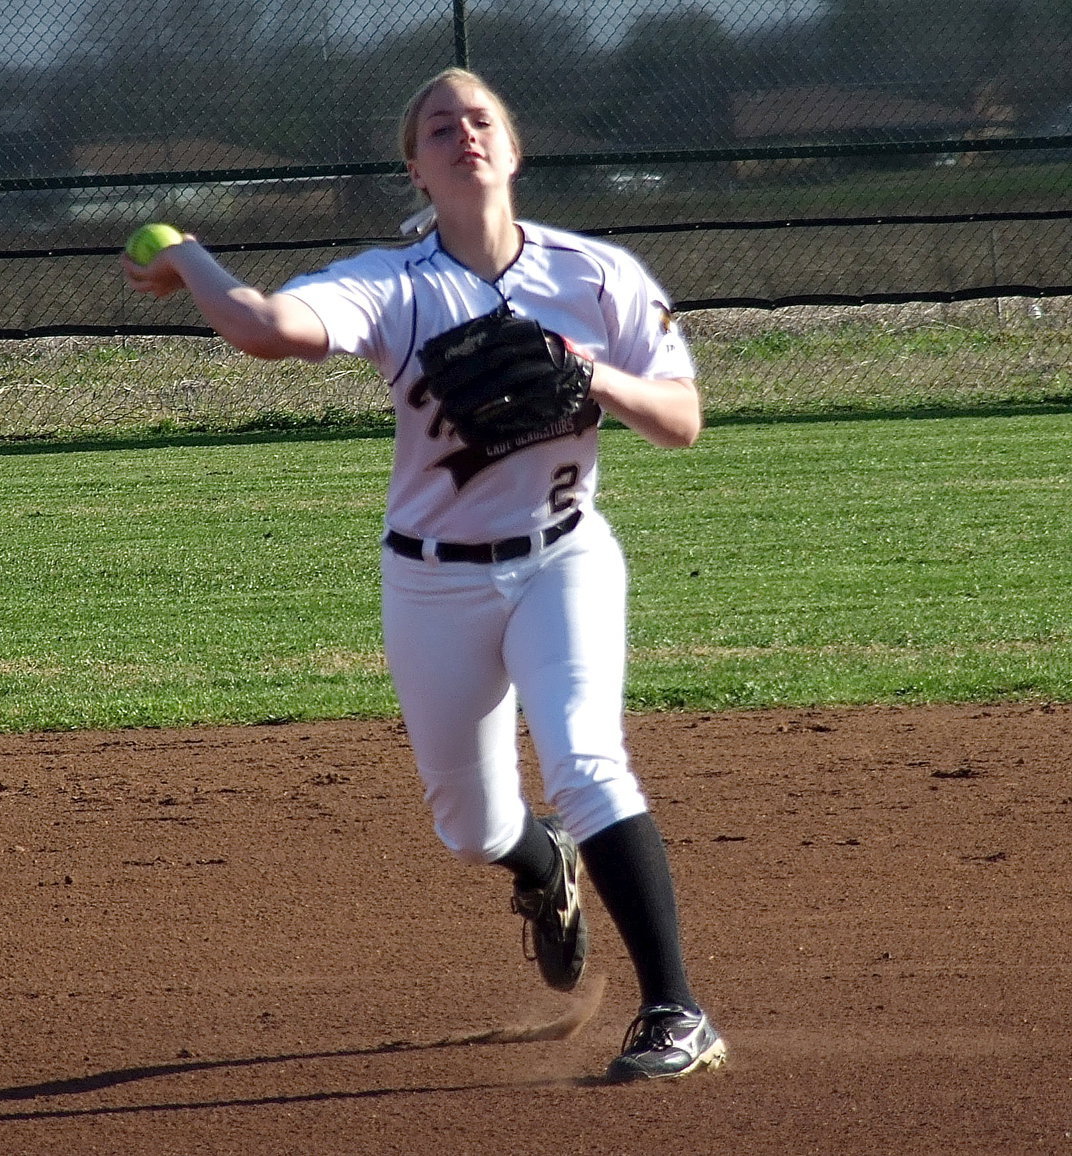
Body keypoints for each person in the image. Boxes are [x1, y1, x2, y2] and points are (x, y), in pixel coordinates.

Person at [122, 66, 726, 1083]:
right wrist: (190, 257)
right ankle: (541, 864)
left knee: (585, 760)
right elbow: (267, 331)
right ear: (417, 164)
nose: (464, 134)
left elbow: (681, 424)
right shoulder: (394, 283)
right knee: (468, 821)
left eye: (481, 118)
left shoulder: (600, 275)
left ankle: (675, 1008)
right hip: (432, 581)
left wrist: (592, 374)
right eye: (440, 126)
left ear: (515, 148)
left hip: (564, 557)